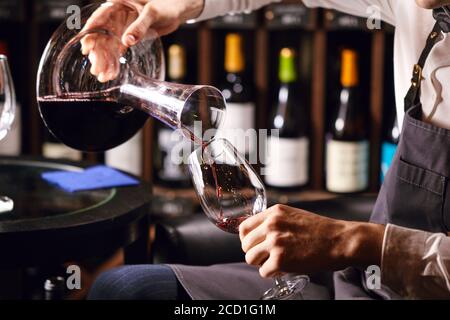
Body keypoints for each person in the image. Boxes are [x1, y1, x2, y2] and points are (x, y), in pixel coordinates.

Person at [86, 0, 450, 300]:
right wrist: (172, 6)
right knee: (123, 290)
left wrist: (353, 240)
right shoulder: (415, 6)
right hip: (359, 282)